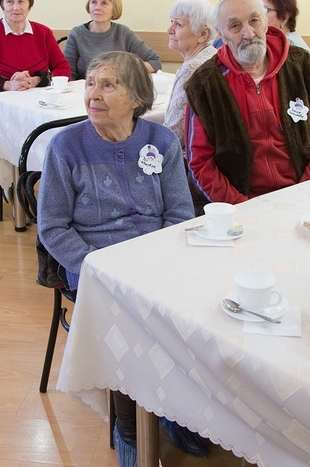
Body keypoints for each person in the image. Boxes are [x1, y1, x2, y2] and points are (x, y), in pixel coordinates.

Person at [36, 51, 203, 465]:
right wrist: (95, 265)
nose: (93, 93)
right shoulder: (65, 146)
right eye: (90, 83)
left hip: (155, 256)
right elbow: (53, 227)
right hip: (94, 264)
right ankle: (129, 424)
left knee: (192, 309)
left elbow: (180, 214)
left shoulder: (160, 141)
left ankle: (170, 408)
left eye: (108, 85)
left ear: (136, 97)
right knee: (129, 317)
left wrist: (157, 260)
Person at [184, 0, 310, 208]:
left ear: (265, 23)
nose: (249, 33)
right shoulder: (204, 84)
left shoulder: (299, 66)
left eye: (254, 20)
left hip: (303, 196)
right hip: (239, 204)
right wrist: (241, 207)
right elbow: (200, 163)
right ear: (221, 34)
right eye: (235, 26)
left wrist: (305, 193)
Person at [63, 0, 161, 80]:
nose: (97, 7)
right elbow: (68, 71)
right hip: (85, 91)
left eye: (104, 3)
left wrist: (126, 69)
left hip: (118, 90)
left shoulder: (123, 33)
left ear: (114, 9)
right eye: (93, 2)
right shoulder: (77, 34)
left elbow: (155, 62)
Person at [161, 0, 215, 149]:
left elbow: (174, 134)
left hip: (189, 161)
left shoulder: (194, 69)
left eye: (178, 24)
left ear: (203, 34)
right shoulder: (210, 55)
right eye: (171, 22)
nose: (169, 30)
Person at [259, 0, 310, 65]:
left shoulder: (293, 49)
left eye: (266, 10)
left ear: (284, 18)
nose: (260, 15)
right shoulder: (275, 41)